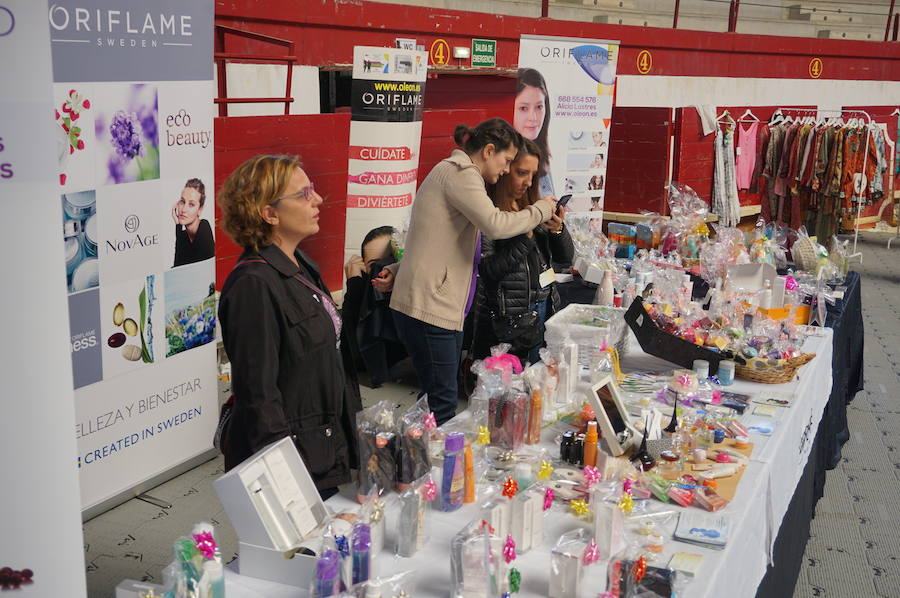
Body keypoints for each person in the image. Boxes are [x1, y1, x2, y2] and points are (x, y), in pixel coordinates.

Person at [372, 118, 556, 424]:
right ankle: (427, 455)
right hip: (431, 309)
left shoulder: (455, 174)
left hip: (438, 307)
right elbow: (495, 224)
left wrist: (398, 267)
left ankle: (418, 449)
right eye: (507, 161)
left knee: (434, 398)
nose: (506, 170)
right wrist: (540, 210)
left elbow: (435, 241)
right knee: (443, 404)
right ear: (488, 151)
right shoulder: (461, 173)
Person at [217, 155, 361, 500]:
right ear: (269, 214)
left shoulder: (300, 264)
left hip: (319, 447)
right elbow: (259, 396)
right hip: (293, 462)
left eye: (313, 189)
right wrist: (287, 482)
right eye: (304, 194)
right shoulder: (253, 285)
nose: (318, 200)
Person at [472, 138, 574, 364]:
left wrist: (557, 230)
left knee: (539, 381)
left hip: (546, 309)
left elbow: (565, 259)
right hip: (508, 323)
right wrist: (526, 234)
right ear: (505, 169)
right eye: (521, 173)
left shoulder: (534, 205)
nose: (528, 182)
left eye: (533, 175)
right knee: (510, 383)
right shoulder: (488, 212)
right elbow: (488, 271)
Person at [341, 226, 406, 388]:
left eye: (390, 263)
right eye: (375, 266)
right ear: (364, 268)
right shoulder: (363, 299)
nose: (383, 272)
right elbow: (353, 355)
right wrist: (354, 287)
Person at [513, 68, 555, 198]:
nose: (533, 118)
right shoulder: (502, 161)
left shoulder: (542, 154)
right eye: (523, 108)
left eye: (539, 107)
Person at [172, 178, 215, 267]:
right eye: (182, 202)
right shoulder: (183, 236)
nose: (183, 209)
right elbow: (178, 267)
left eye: (191, 204)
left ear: (200, 210)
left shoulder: (204, 227)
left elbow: (196, 268)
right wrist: (178, 226)